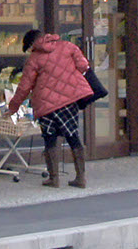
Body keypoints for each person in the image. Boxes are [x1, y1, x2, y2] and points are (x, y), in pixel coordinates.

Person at [6, 27, 95, 188]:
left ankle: (54, 178)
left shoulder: (34, 59)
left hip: (45, 104)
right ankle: (81, 177)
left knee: (50, 138)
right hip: (69, 99)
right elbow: (83, 65)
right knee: (73, 136)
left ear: (32, 43)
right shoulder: (68, 46)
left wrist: (13, 107)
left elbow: (25, 87)